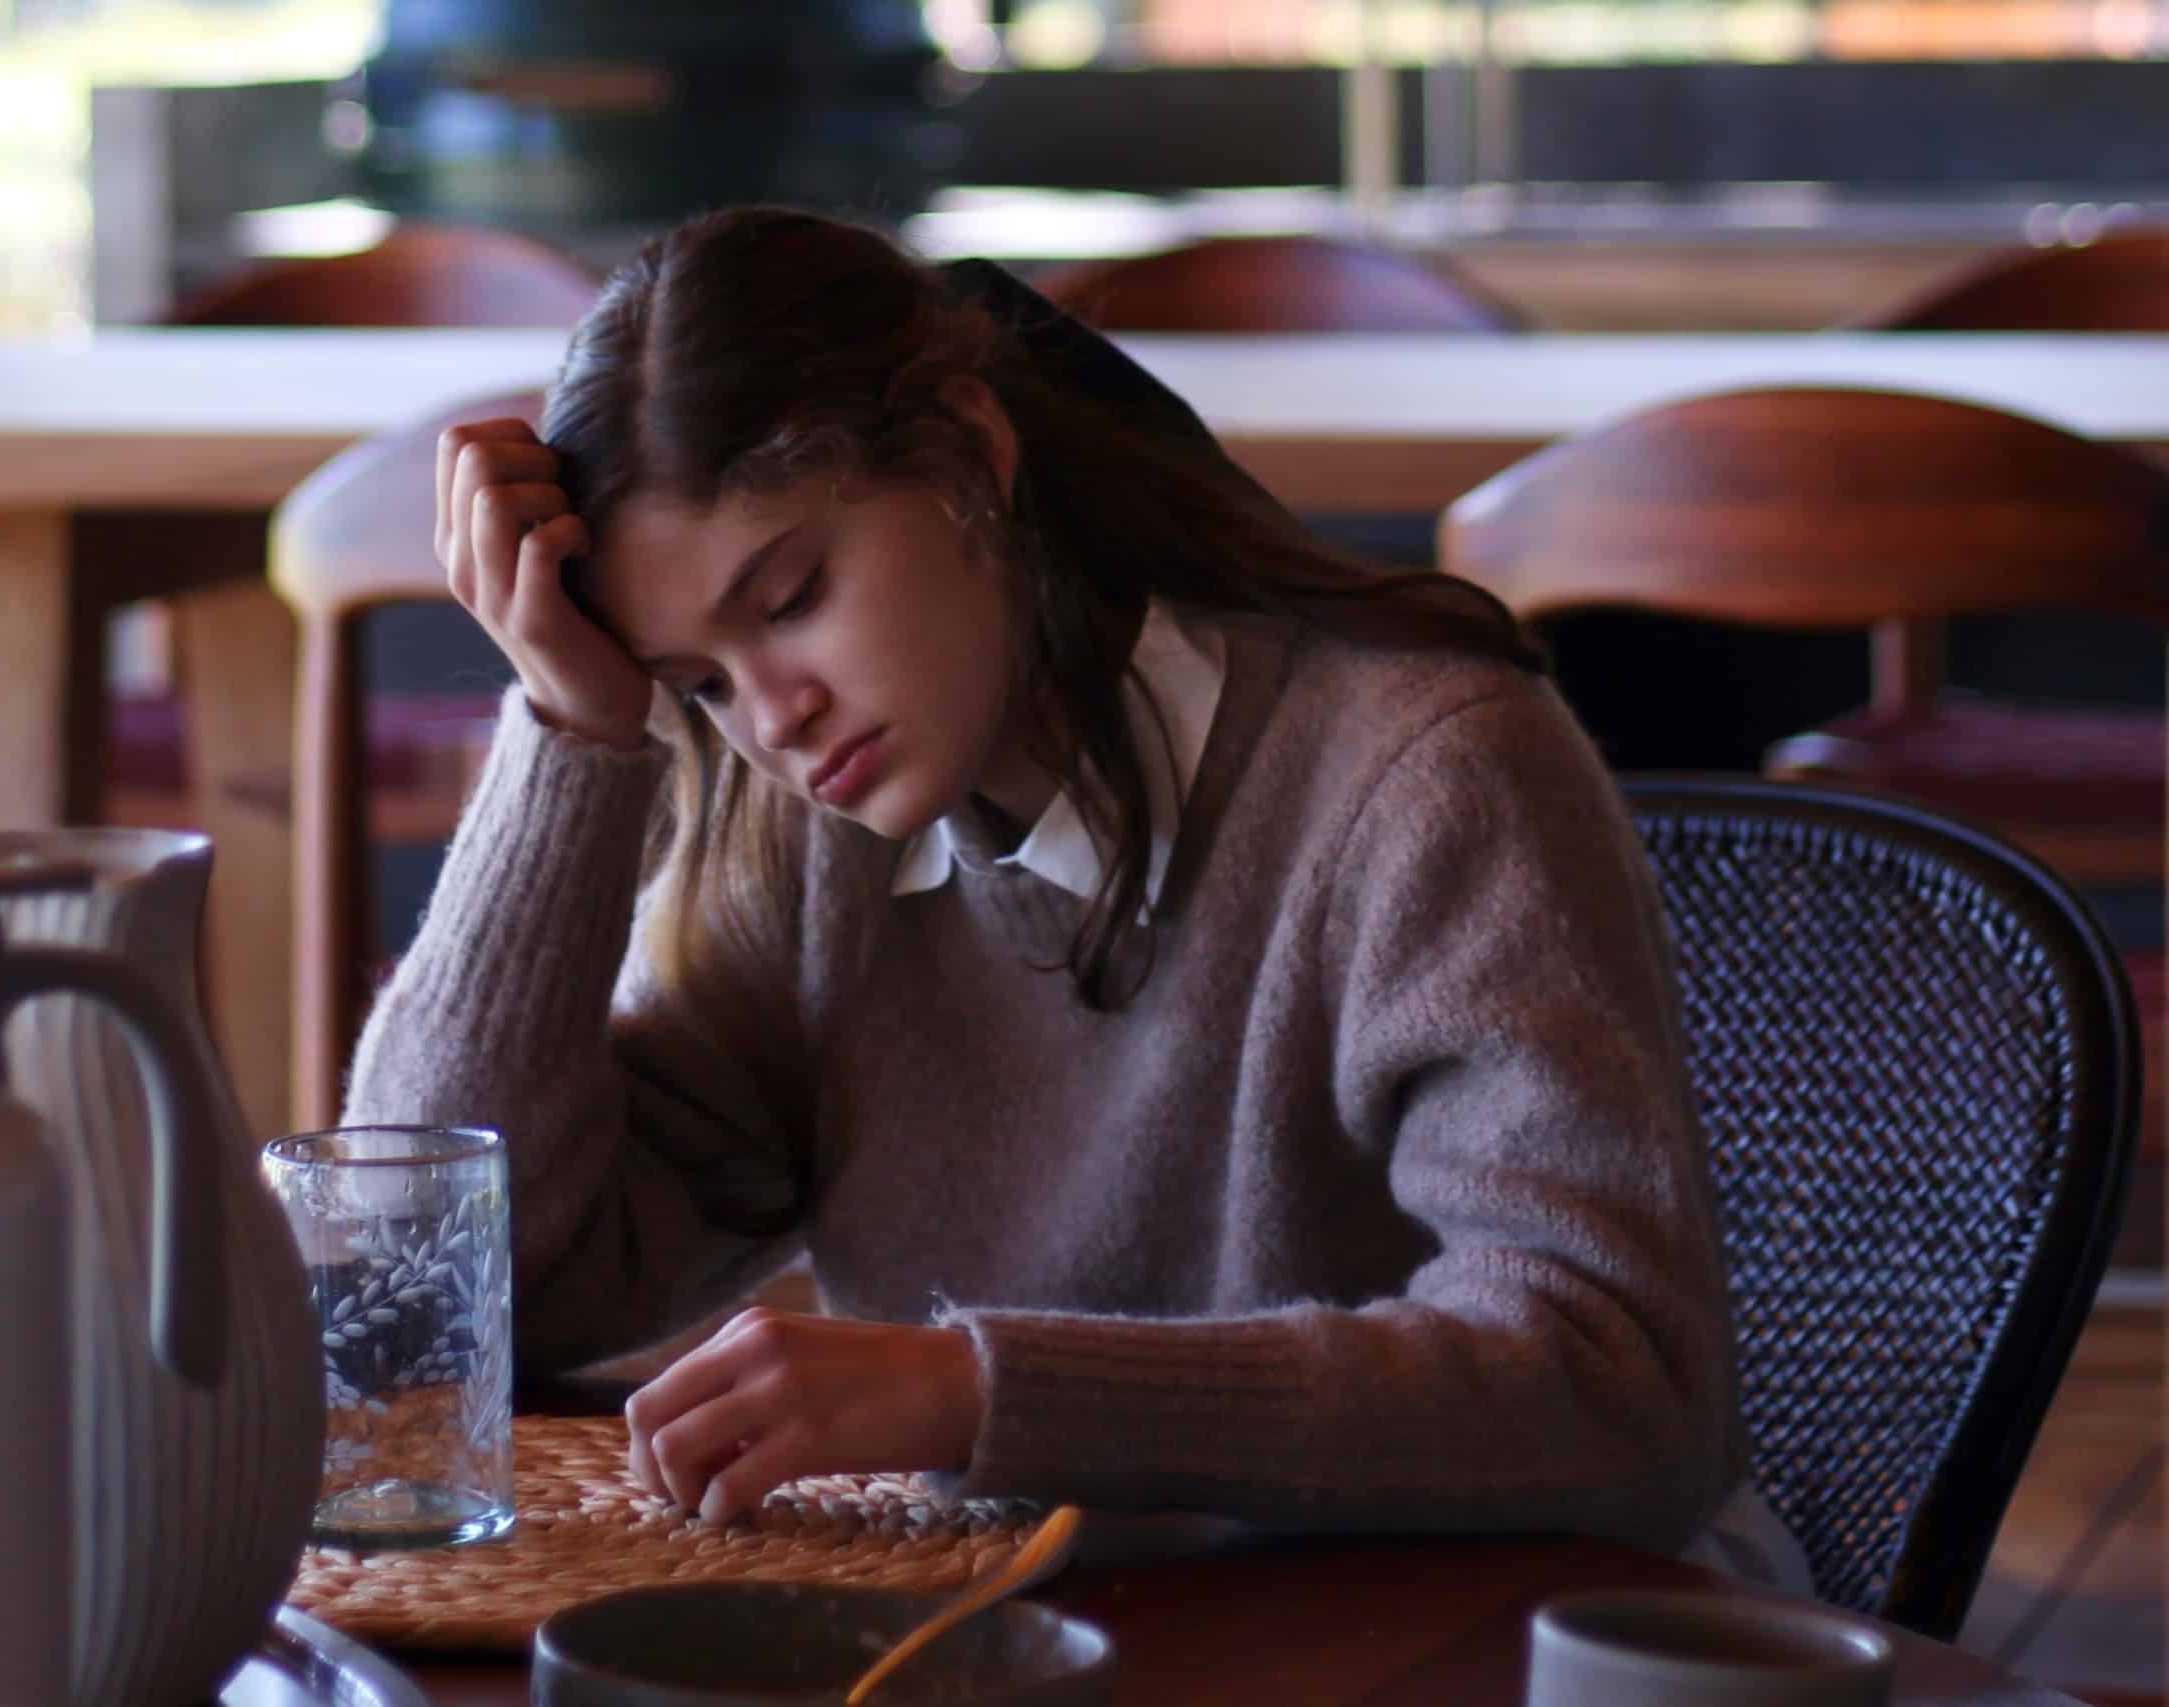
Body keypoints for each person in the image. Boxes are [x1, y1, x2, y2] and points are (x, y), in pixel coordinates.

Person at [344, 204, 1801, 1583]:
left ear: (972, 455)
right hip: (1064, 1639)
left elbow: (1622, 1393)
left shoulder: (1426, 771)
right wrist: (572, 730)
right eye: (700, 684)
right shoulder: (815, 845)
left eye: (791, 598)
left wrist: (982, 1393)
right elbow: (437, 1300)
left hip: (1479, 1640)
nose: (772, 717)